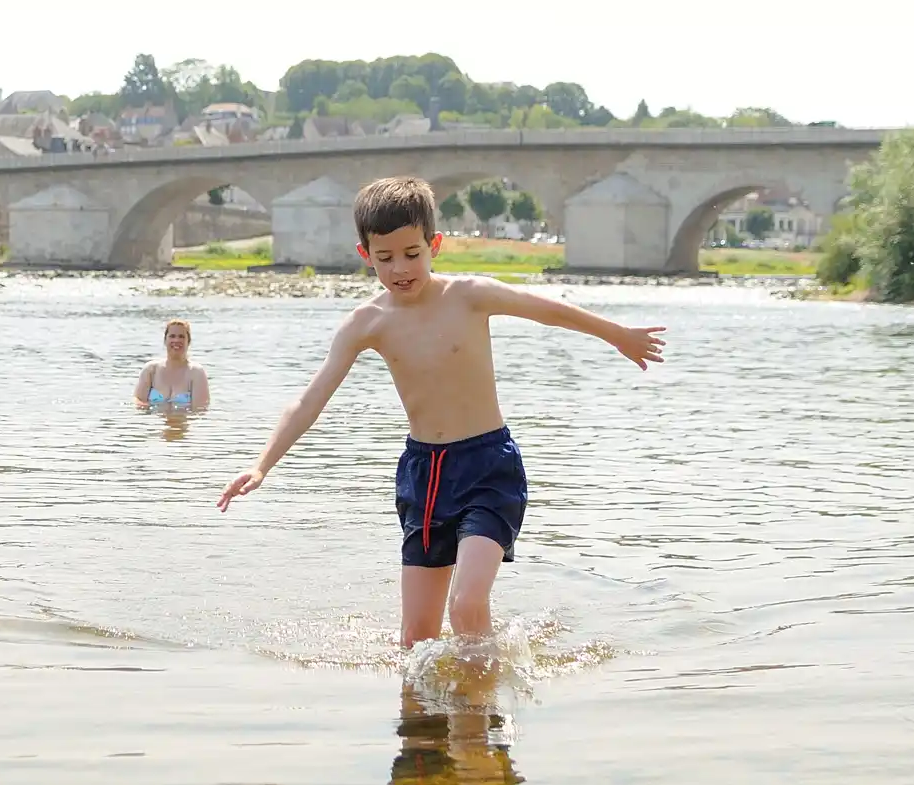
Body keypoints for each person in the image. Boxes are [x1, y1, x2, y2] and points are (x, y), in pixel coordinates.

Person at [216, 176, 665, 647]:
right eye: (385, 258)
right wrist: (261, 464)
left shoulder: (468, 295)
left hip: (489, 466)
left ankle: (476, 713)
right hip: (423, 475)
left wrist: (616, 334)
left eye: (413, 253)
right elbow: (310, 399)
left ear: (435, 245)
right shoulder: (367, 323)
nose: (401, 268)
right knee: (416, 638)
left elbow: (548, 309)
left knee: (467, 605)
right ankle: (429, 715)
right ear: (364, 253)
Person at [134, 319, 210, 411]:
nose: (176, 340)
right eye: (172, 336)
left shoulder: (196, 372)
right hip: (155, 423)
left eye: (181, 336)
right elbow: (138, 401)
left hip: (183, 423)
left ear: (188, 341)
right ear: (165, 340)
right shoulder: (151, 370)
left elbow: (200, 410)